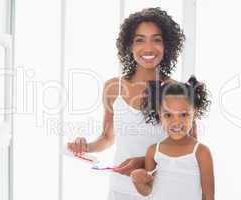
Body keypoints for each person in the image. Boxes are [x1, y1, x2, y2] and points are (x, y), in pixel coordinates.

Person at [67, 7, 191, 200]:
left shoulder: (178, 90)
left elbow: (188, 147)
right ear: (129, 45)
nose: (148, 48)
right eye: (139, 40)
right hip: (121, 189)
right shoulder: (113, 88)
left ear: (167, 45)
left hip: (165, 190)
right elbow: (107, 137)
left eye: (156, 39)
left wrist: (144, 162)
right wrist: (86, 148)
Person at [130, 76, 214, 200]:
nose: (176, 122)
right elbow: (148, 191)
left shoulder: (201, 153)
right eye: (168, 115)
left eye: (183, 114)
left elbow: (208, 196)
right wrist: (136, 181)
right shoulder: (153, 151)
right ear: (160, 114)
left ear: (194, 114)